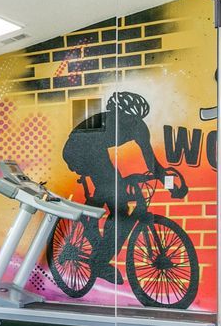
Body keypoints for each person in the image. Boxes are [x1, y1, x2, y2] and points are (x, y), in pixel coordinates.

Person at [59, 90, 170, 282]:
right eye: (124, 118)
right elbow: (99, 166)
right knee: (119, 205)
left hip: (98, 154)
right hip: (77, 149)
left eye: (133, 119)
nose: (129, 123)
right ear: (113, 112)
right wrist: (120, 183)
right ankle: (100, 260)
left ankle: (94, 224)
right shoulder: (102, 124)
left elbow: (152, 162)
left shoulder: (138, 128)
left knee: (115, 195)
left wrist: (169, 184)